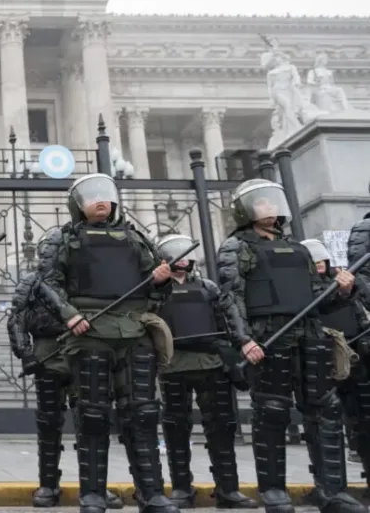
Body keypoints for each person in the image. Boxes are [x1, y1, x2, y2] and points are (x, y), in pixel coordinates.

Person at [217, 178, 367, 513]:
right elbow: (230, 298)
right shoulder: (236, 247)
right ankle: (274, 492)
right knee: (272, 412)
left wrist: (343, 290)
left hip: (309, 335)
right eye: (262, 203)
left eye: (273, 202)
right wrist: (244, 340)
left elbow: (318, 299)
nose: (270, 208)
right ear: (245, 210)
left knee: (325, 412)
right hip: (268, 337)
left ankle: (332, 491)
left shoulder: (299, 249)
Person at [31, 173, 176, 513]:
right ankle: (93, 495)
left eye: (105, 195)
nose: (100, 201)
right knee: (93, 416)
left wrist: (159, 280)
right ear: (77, 204)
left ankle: (152, 493)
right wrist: (70, 316)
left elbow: (158, 288)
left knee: (142, 414)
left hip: (133, 332)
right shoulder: (64, 240)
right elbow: (48, 284)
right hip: (90, 333)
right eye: (91, 196)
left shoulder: (135, 239)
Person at [7, 265, 123, 510]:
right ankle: (48, 484)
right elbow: (16, 317)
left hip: (84, 350)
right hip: (47, 352)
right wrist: (25, 353)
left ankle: (95, 487)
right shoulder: (32, 282)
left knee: (91, 420)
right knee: (49, 421)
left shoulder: (85, 277)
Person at [153, 234, 256, 509]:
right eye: (175, 254)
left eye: (185, 254)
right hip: (174, 365)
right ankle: (182, 489)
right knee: (176, 430)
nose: (181, 259)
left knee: (221, 429)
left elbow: (227, 318)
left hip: (211, 364)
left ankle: (228, 489)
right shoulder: (154, 290)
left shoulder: (208, 287)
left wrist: (236, 348)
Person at [307, 237, 370, 498]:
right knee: (322, 429)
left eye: (322, 259)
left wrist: (348, 291)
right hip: (322, 365)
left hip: (356, 361)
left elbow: (361, 311)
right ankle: (328, 487)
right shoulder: (303, 290)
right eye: (313, 261)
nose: (319, 264)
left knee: (364, 424)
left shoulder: (349, 283)